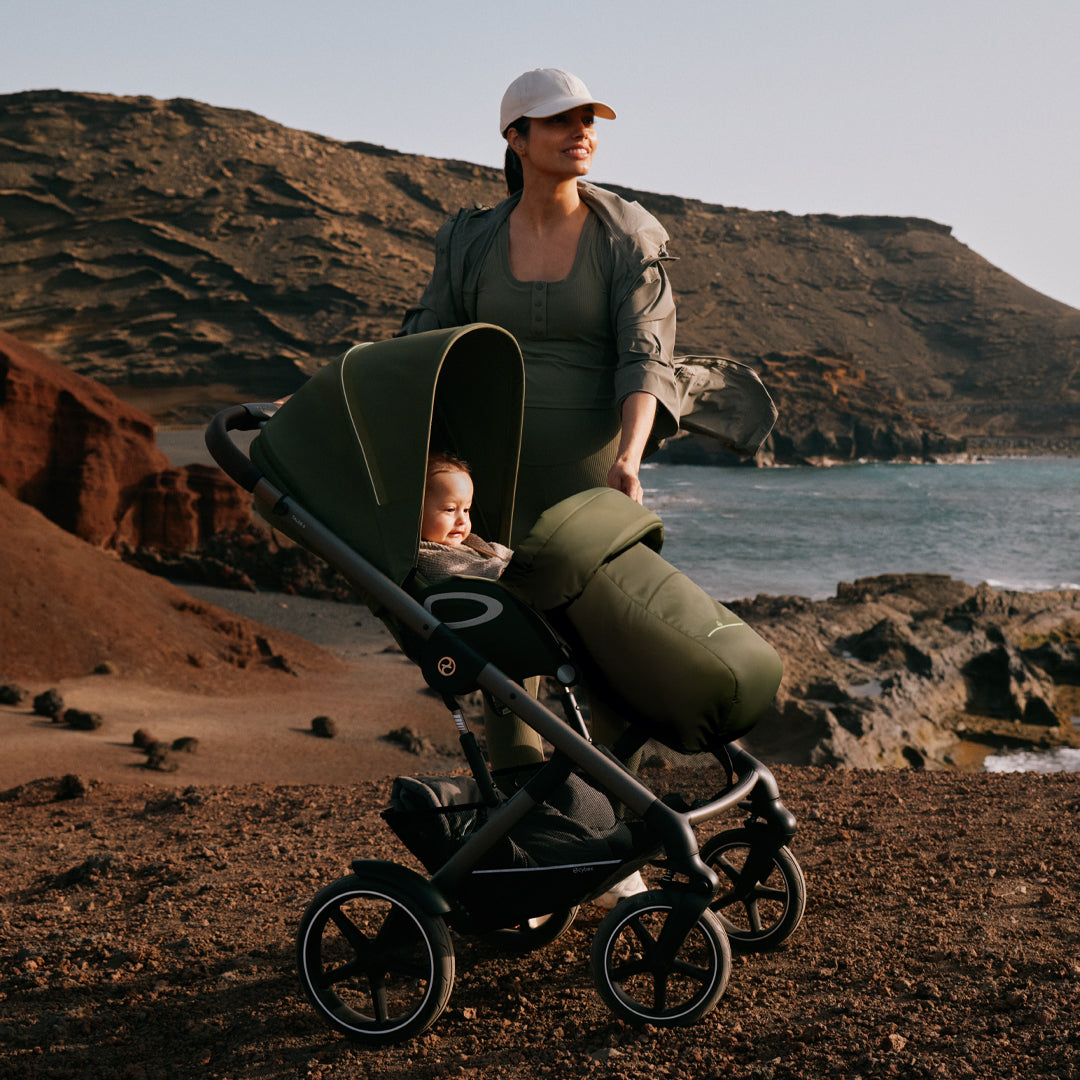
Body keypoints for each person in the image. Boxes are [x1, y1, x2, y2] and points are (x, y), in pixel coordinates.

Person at [401, 69, 676, 859]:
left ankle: (600, 820)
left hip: (593, 477)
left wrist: (629, 459)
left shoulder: (628, 234)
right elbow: (425, 339)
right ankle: (535, 841)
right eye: (559, 121)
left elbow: (646, 355)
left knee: (606, 645)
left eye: (589, 119)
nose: (581, 132)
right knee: (502, 647)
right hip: (492, 481)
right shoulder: (470, 240)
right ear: (515, 138)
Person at [417, 452, 513, 582]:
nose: (462, 520)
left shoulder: (469, 542)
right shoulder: (426, 557)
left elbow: (494, 550)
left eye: (466, 510)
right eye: (450, 509)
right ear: (418, 510)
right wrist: (502, 570)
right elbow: (466, 570)